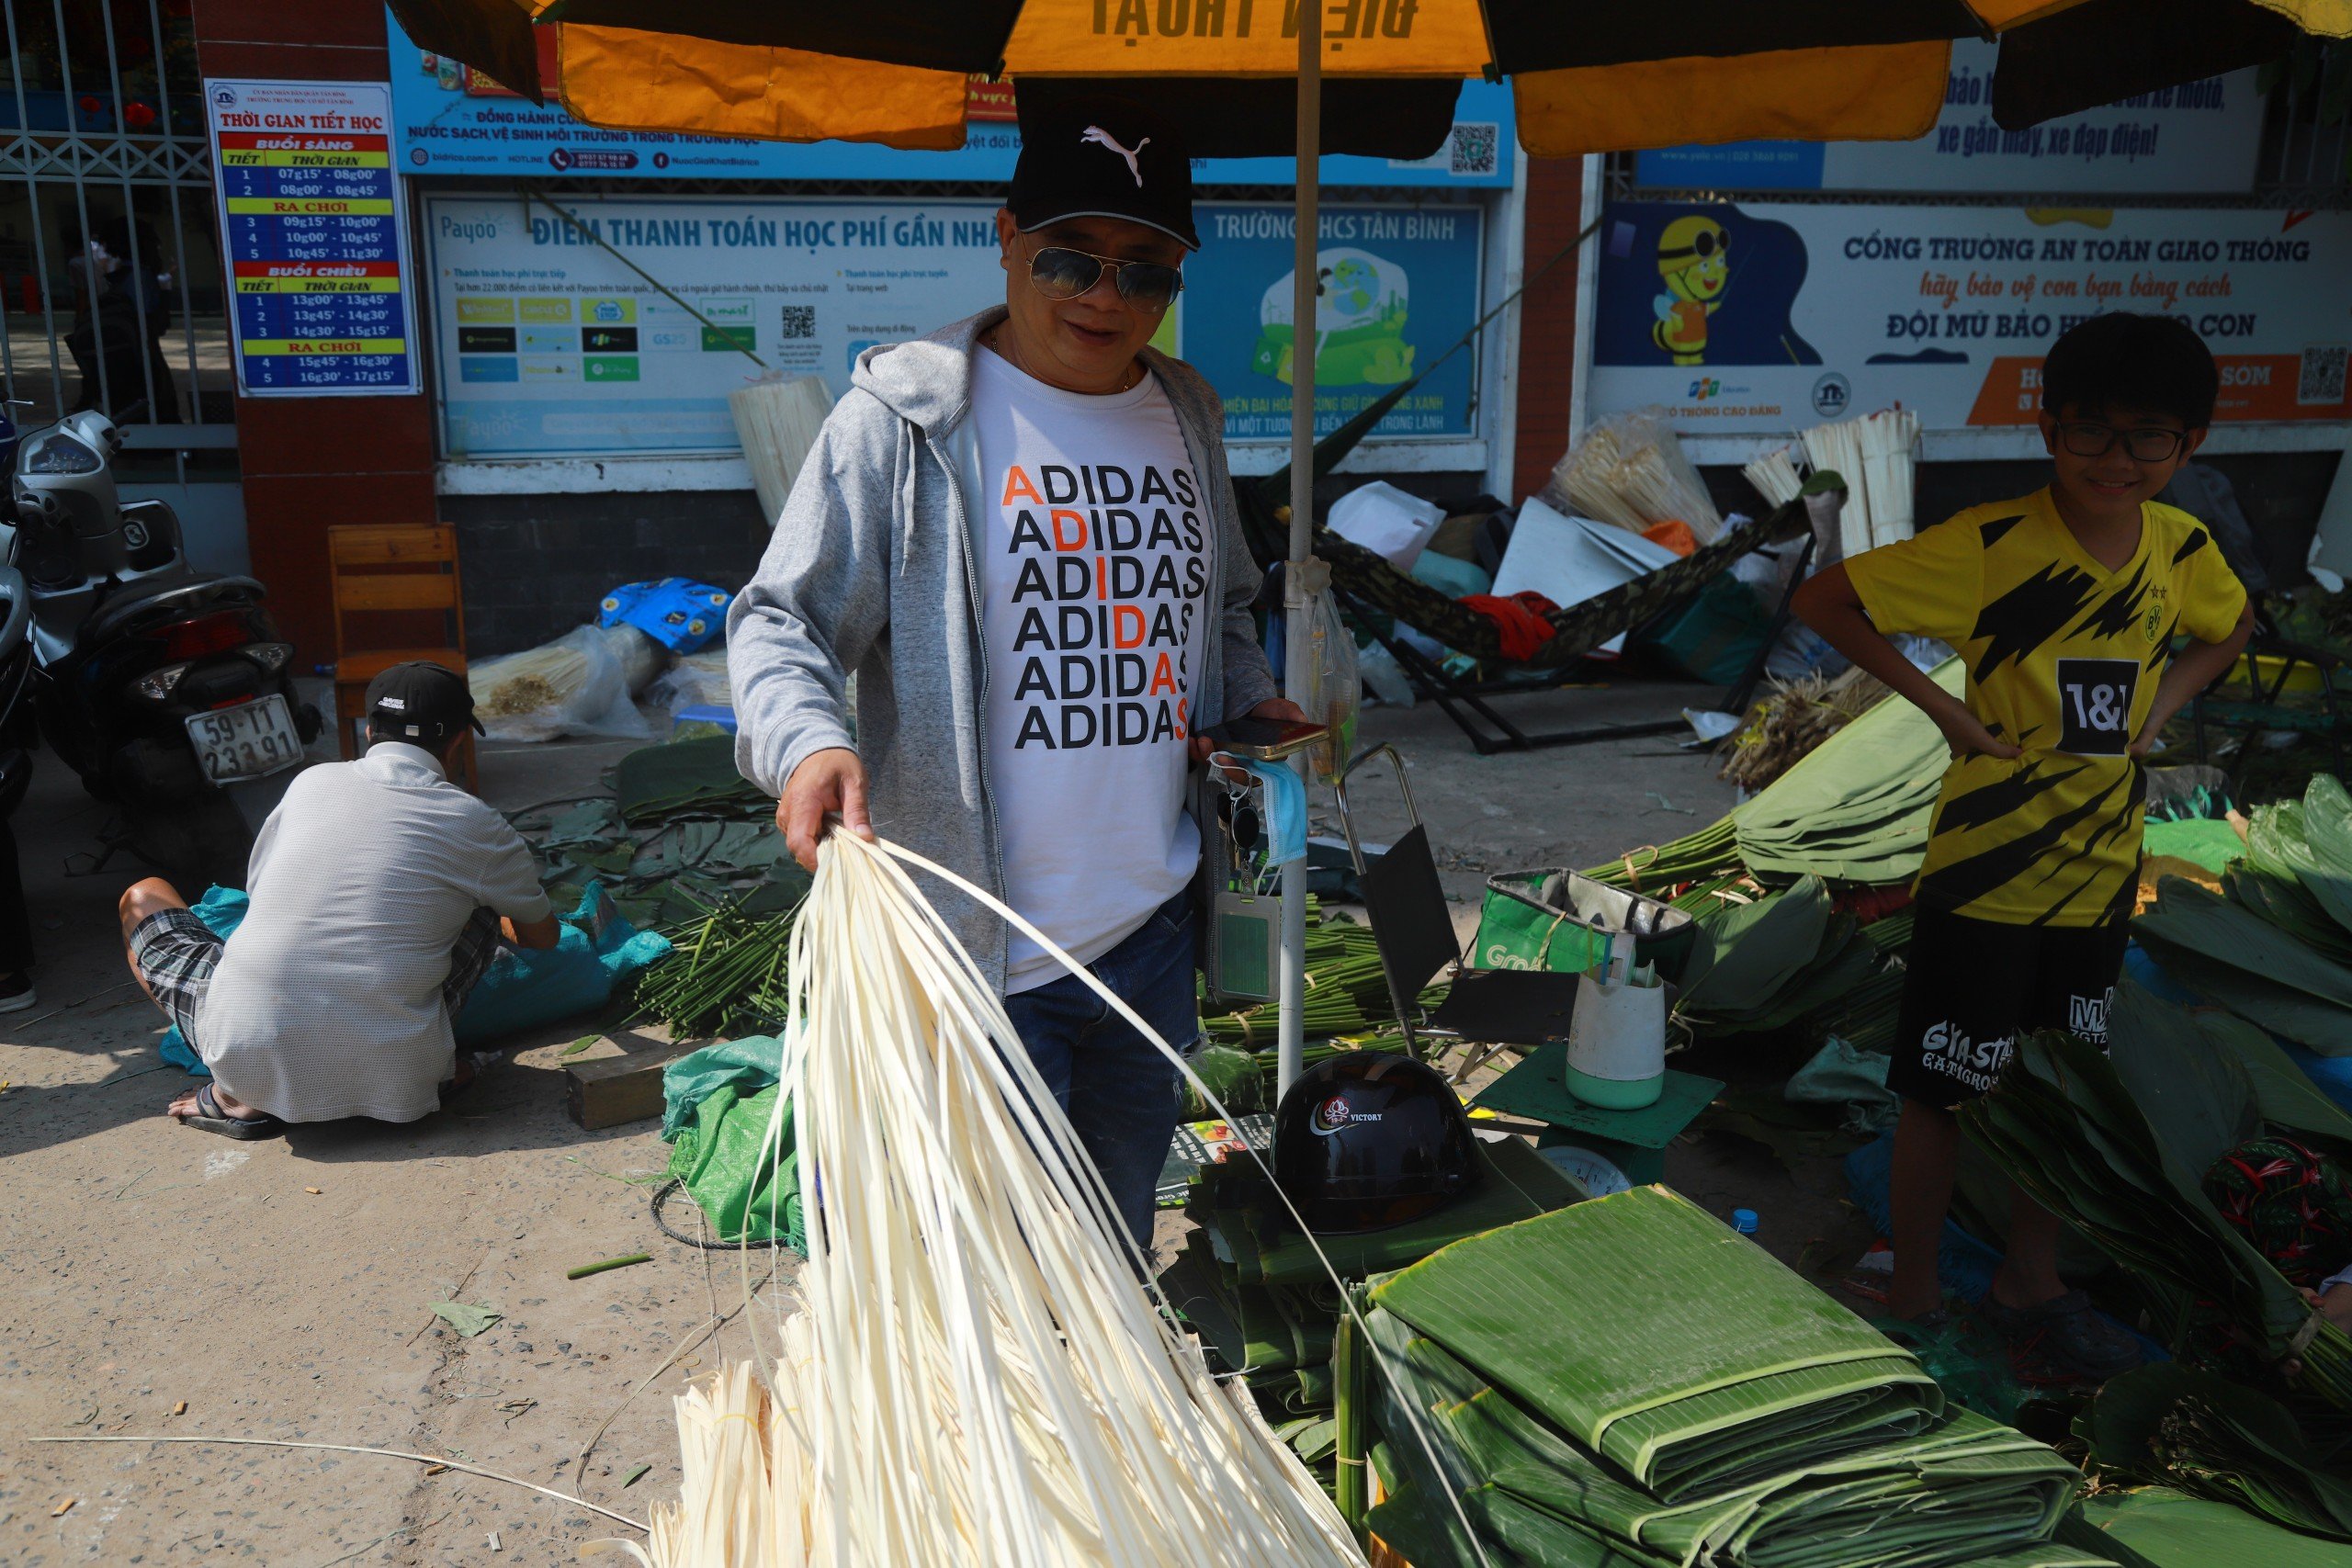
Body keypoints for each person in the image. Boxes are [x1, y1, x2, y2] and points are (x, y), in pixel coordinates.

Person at [729, 93, 1304, 1248]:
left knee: (1108, 1243)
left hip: (1146, 929)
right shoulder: (901, 422)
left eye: (1144, 272)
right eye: (1072, 259)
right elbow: (778, 620)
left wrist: (1245, 695)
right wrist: (811, 741)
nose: (1105, 296)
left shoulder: (1187, 413)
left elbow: (1225, 599)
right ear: (1007, 236)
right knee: (961, 1275)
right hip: (970, 946)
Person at [1793, 311, 2254, 1380]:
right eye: (2090, 430)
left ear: (2187, 447)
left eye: (2149, 436)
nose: (2117, 459)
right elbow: (1824, 598)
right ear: (2048, 430)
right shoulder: (1991, 545)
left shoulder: (2183, 548)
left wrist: (2163, 706)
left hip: (2100, 878)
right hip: (1986, 876)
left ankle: (2029, 1281)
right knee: (1941, 1087)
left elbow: (2231, 628)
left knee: (2059, 1092)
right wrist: (1946, 714)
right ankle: (1911, 1286)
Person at [121, 663, 559, 1138]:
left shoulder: (311, 783)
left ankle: (236, 1096)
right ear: (458, 741)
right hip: (403, 1080)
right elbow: (543, 937)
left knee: (142, 897)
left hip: (243, 1056)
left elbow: (258, 891)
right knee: (481, 903)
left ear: (369, 730)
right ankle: (431, 1068)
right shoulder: (481, 826)